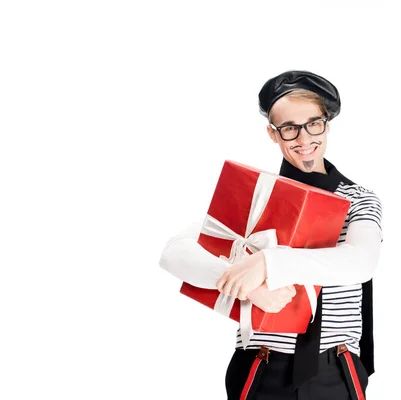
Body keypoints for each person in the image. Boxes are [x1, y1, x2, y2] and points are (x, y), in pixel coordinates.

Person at [159, 70, 383, 399]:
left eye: (313, 124)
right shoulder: (254, 199)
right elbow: (174, 252)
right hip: (260, 366)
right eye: (290, 128)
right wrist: (243, 284)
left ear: (326, 125)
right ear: (272, 134)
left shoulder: (359, 200)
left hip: (335, 369)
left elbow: (360, 262)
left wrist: (268, 263)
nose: (304, 139)